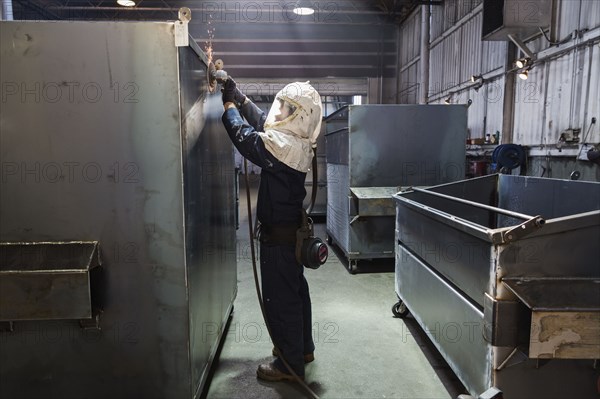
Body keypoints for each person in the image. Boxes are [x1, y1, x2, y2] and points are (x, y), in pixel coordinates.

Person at [221, 79, 323, 382]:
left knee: (281, 300)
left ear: (299, 114)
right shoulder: (296, 141)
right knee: (296, 293)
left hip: (278, 241)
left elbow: (244, 137)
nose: (279, 111)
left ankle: (289, 366)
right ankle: (302, 349)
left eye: (286, 108)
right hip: (289, 235)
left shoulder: (283, 147)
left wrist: (229, 108)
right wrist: (240, 98)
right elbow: (265, 122)